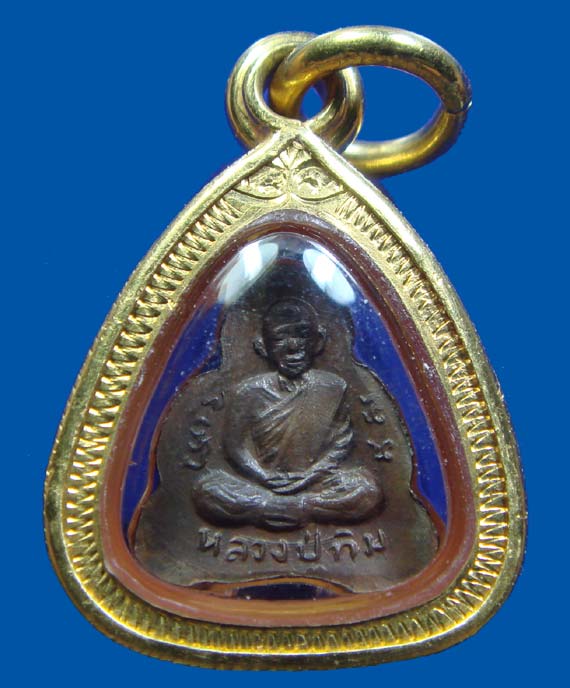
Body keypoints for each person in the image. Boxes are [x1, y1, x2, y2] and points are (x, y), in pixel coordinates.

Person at [192, 298, 383, 530]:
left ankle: (294, 506)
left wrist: (310, 475)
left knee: (366, 489)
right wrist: (263, 476)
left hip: (315, 484)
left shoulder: (333, 387)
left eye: (302, 335)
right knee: (207, 489)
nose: (293, 347)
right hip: (260, 485)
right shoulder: (249, 391)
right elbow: (235, 447)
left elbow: (341, 444)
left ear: (318, 341)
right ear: (263, 346)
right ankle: (273, 506)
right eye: (280, 338)